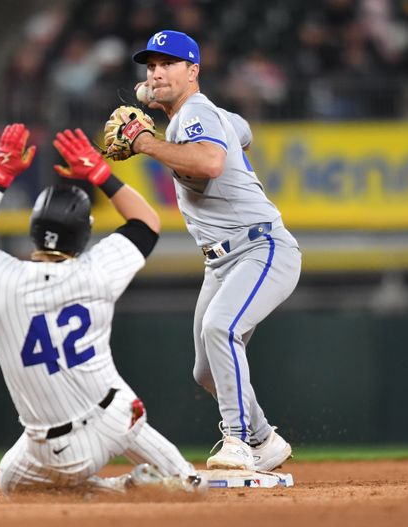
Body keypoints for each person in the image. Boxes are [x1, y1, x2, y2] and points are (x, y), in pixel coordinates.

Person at [0, 123, 204, 495]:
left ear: (34, 230)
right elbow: (147, 223)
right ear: (83, 235)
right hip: (118, 418)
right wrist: (101, 173)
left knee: (12, 484)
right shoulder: (95, 272)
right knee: (189, 488)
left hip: (48, 448)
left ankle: (116, 491)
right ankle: (163, 483)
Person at [123, 30, 302, 471]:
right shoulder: (203, 113)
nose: (157, 70)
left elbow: (210, 163)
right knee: (206, 373)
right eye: (151, 66)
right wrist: (155, 95)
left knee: (221, 329)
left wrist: (143, 142)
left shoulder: (195, 112)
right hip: (222, 262)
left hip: (261, 247)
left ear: (194, 70)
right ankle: (264, 440)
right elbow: (243, 130)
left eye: (168, 63)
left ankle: (238, 441)